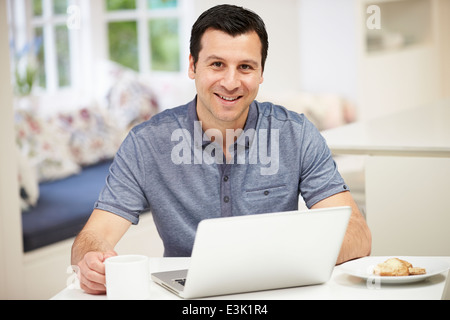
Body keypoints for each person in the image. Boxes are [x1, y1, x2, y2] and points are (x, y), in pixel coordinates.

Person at [71, 4, 371, 295]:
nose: (230, 82)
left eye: (245, 67)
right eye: (217, 64)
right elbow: (93, 237)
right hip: (188, 297)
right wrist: (92, 261)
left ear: (261, 72)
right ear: (192, 66)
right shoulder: (146, 143)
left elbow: (358, 235)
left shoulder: (297, 134)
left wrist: (288, 255)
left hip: (276, 291)